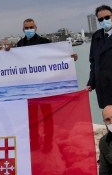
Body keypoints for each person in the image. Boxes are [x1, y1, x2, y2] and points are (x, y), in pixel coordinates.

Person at [16, 18, 78, 152]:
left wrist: (70, 57)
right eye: (26, 28)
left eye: (31, 27)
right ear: (23, 30)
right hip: (28, 88)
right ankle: (34, 142)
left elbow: (57, 56)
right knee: (31, 117)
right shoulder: (19, 45)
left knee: (46, 116)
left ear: (36, 28)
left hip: (45, 87)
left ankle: (48, 143)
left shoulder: (45, 42)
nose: (29, 30)